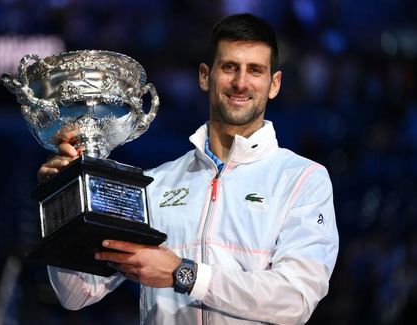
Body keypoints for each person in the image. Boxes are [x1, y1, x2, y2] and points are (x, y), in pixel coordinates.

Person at [38, 13, 339, 324]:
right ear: (205, 76)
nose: (240, 82)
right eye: (230, 67)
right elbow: (77, 293)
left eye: (255, 70)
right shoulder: (154, 184)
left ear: (274, 84)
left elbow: (295, 300)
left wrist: (185, 274)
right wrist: (66, 197)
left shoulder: (302, 179)